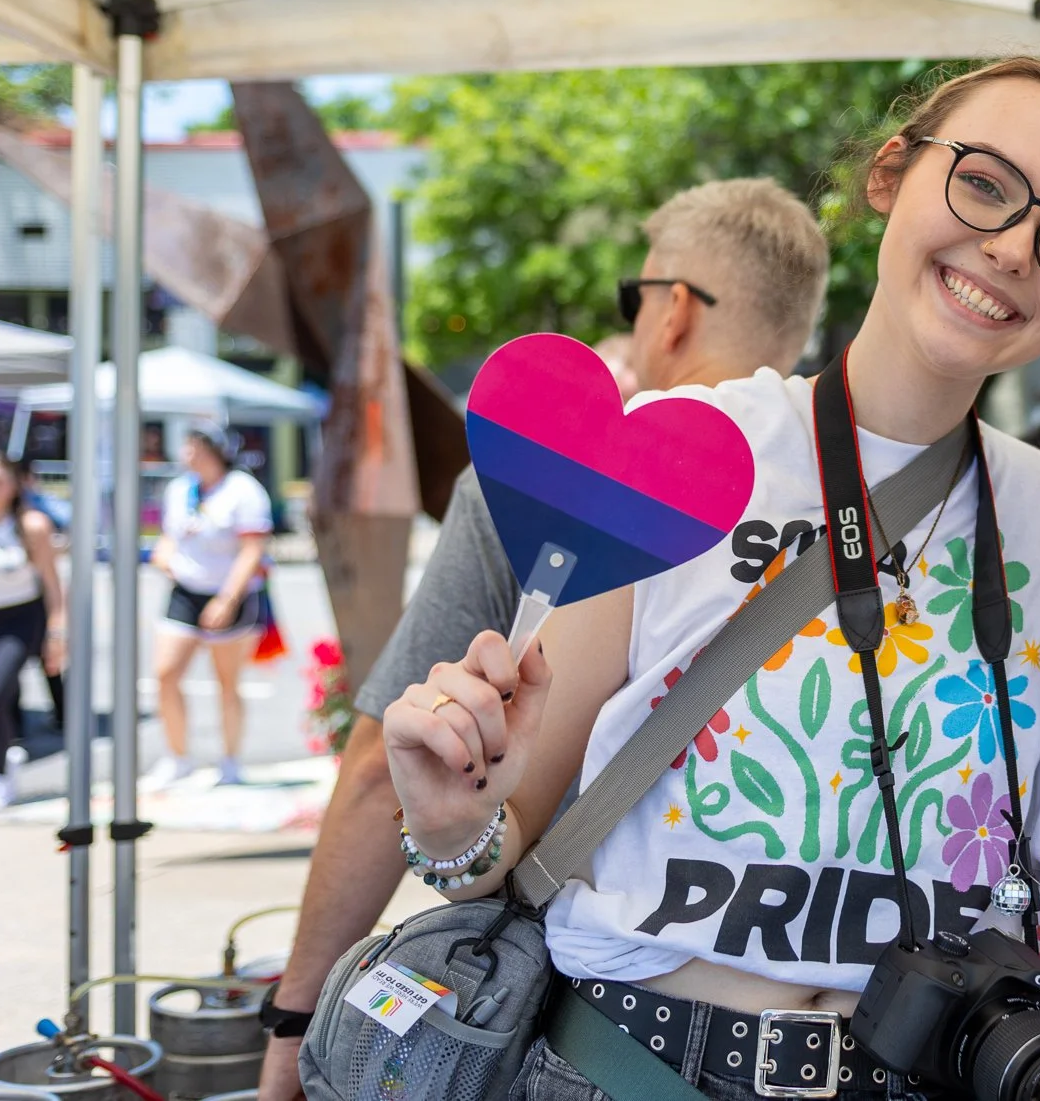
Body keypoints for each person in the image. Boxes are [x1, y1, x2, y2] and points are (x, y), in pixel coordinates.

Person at [379, 57, 1040, 1101]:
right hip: (631, 1068)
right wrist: (446, 822)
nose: (1011, 247)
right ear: (890, 173)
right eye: (982, 183)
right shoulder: (677, 448)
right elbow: (504, 848)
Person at [255, 179, 829, 1099]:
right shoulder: (846, 509)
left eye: (633, 299)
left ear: (671, 309)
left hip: (584, 1039)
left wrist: (294, 1021)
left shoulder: (558, 480)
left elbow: (379, 773)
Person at [147, 424, 272, 787]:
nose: (188, 454)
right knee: (165, 673)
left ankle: (230, 760)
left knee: (226, 681)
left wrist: (226, 599)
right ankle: (177, 756)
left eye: (195, 447)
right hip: (185, 590)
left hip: (230, 593)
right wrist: (164, 555)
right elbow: (171, 536)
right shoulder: (180, 489)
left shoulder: (242, 491)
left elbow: (252, 549)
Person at [0, 453, 66, 807]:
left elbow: (53, 585)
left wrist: (57, 632)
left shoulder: (31, 525)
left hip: (21, 618)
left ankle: (0, 772)